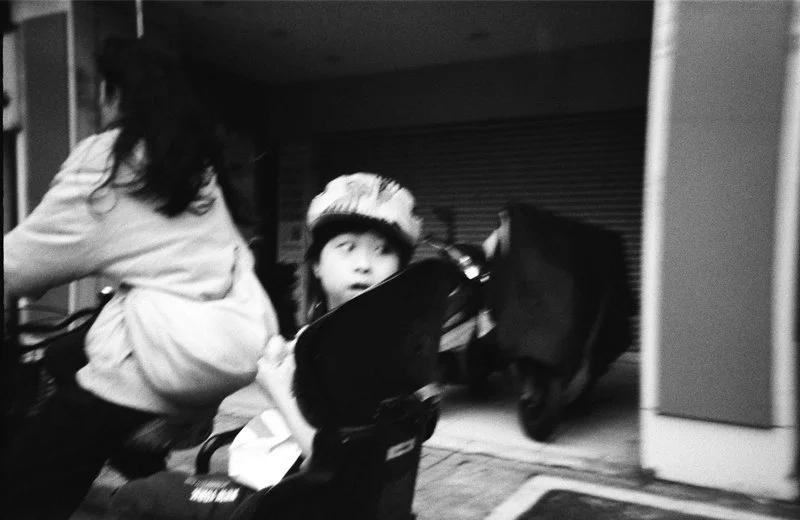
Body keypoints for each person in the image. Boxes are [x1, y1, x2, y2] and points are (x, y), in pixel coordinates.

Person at [2, 37, 279, 519]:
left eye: (99, 92)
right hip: (213, 356)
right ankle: (145, 474)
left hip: (154, 362)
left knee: (23, 488)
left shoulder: (112, 160)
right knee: (64, 353)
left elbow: (20, 266)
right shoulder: (193, 167)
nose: (97, 106)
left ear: (116, 93)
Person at [107, 172, 423, 519]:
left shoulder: (364, 356)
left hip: (295, 504)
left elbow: (338, 468)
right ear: (317, 265)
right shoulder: (349, 340)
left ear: (401, 271)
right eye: (347, 247)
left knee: (137, 498)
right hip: (293, 487)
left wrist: (277, 390)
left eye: (383, 250)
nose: (364, 264)